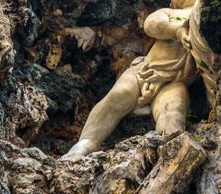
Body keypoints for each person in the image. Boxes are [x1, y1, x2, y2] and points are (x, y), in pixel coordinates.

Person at [61, 0, 198, 160]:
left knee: (173, 108)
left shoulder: (204, 16)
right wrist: (177, 30)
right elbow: (151, 24)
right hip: (145, 72)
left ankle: (168, 152)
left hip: (173, 82)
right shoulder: (170, 13)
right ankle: (85, 143)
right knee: (119, 95)